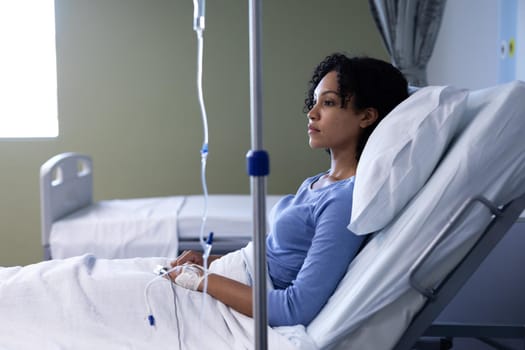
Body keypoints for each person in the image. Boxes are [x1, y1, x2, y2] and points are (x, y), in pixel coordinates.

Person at [168, 52, 409, 327]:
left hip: (233, 306)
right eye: (315, 101)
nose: (312, 112)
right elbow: (274, 259)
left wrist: (202, 280)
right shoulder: (317, 183)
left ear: (366, 117)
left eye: (328, 102)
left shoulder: (343, 201)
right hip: (225, 281)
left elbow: (294, 308)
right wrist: (208, 262)